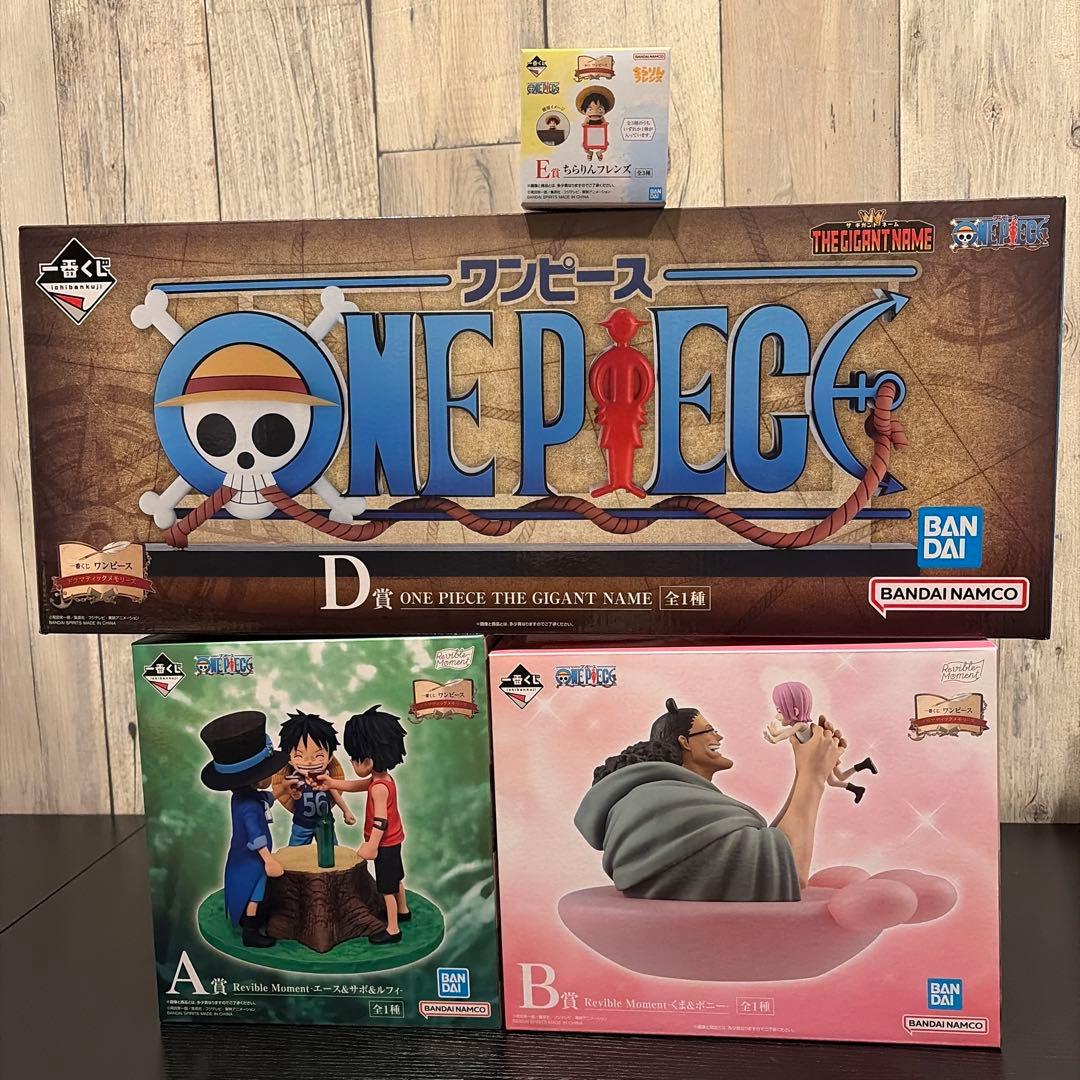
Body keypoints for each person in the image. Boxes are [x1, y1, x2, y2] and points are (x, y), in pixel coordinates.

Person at [575, 697, 844, 901]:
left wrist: (805, 767)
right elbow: (787, 871)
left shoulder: (671, 800)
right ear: (685, 742)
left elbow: (770, 850)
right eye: (709, 730)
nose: (719, 736)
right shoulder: (663, 804)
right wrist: (813, 775)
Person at [318, 705, 409, 944]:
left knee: (386, 888)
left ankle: (393, 929)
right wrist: (332, 784)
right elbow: (357, 785)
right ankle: (403, 910)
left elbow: (381, 821)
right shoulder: (382, 780)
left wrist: (372, 846)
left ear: (369, 760)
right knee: (396, 878)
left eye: (355, 759)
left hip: (384, 844)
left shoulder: (378, 788)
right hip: (394, 840)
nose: (351, 762)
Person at [199, 710, 288, 948]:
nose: (271, 776)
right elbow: (256, 837)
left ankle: (251, 919)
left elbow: (266, 799)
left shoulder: (243, 796)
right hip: (251, 860)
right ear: (256, 777)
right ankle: (250, 931)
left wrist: (283, 790)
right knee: (255, 892)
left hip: (247, 857)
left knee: (256, 891)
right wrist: (268, 860)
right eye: (268, 773)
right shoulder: (248, 805)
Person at [765, 681, 877, 803]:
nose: (777, 716)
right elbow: (787, 732)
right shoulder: (797, 726)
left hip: (823, 756)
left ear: (795, 711)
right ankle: (861, 776)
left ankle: (859, 781)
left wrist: (775, 739)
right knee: (837, 778)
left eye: (779, 711)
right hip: (821, 755)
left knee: (837, 779)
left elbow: (788, 733)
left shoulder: (800, 725)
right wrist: (775, 733)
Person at [272, 711, 356, 845]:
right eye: (299, 756)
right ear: (290, 759)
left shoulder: (326, 778)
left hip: (326, 823)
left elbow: (335, 795)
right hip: (301, 824)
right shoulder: (293, 779)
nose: (310, 762)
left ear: (330, 757)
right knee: (295, 853)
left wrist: (346, 811)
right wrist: (295, 794)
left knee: (331, 851)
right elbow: (292, 796)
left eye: (319, 756)